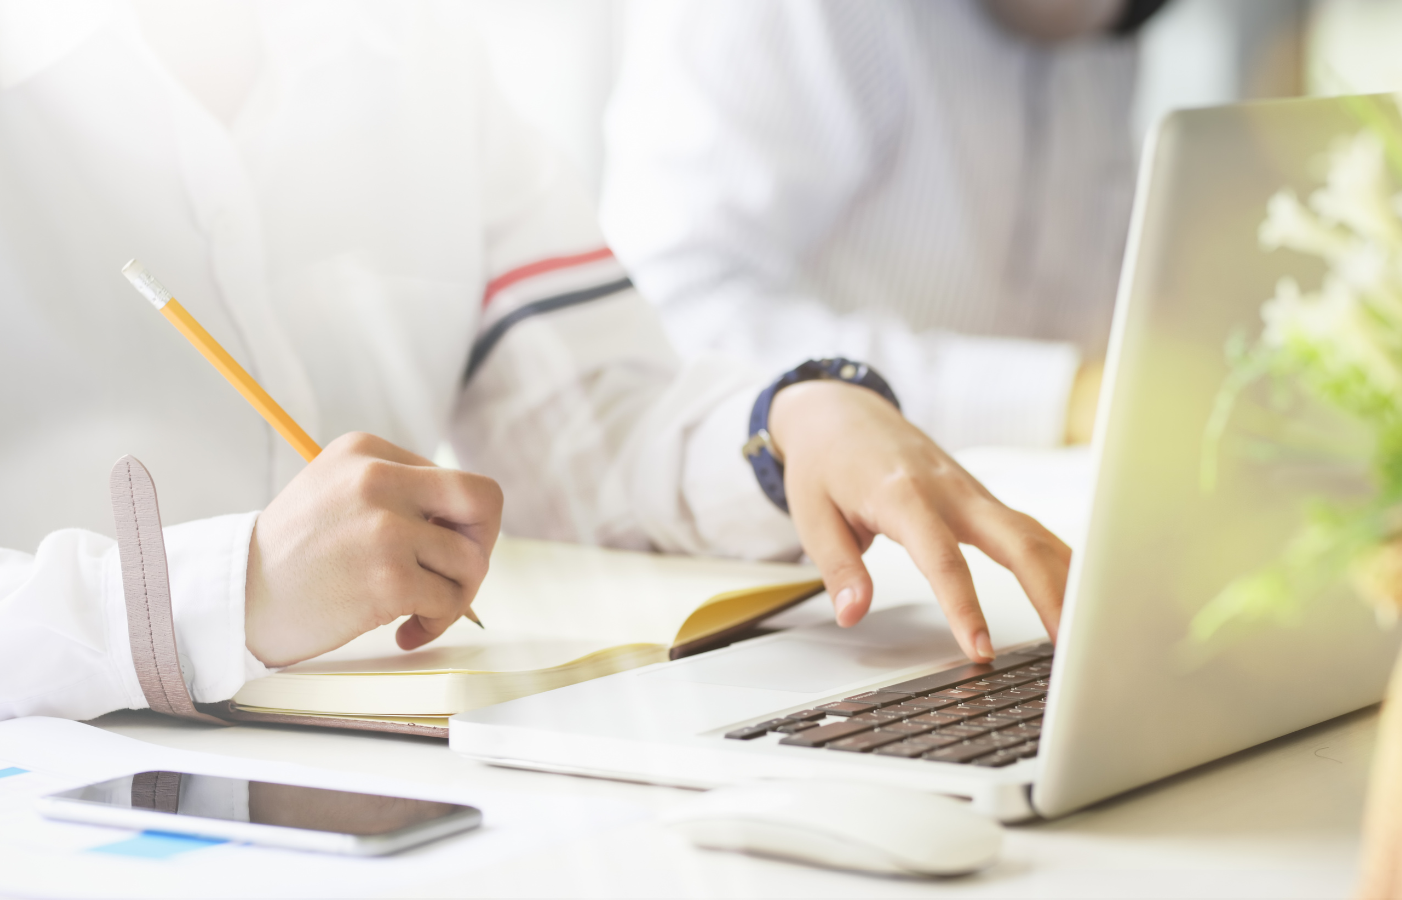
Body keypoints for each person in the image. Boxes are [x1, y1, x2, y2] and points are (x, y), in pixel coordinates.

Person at [0, 0, 1071, 722]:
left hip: (423, 786)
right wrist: (230, 595)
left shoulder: (421, 58)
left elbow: (591, 428)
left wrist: (784, 429)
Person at [600, 0, 1167, 451]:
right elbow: (671, 320)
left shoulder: (1108, 35)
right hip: (810, 553)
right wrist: (1059, 401)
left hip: (1056, 525)